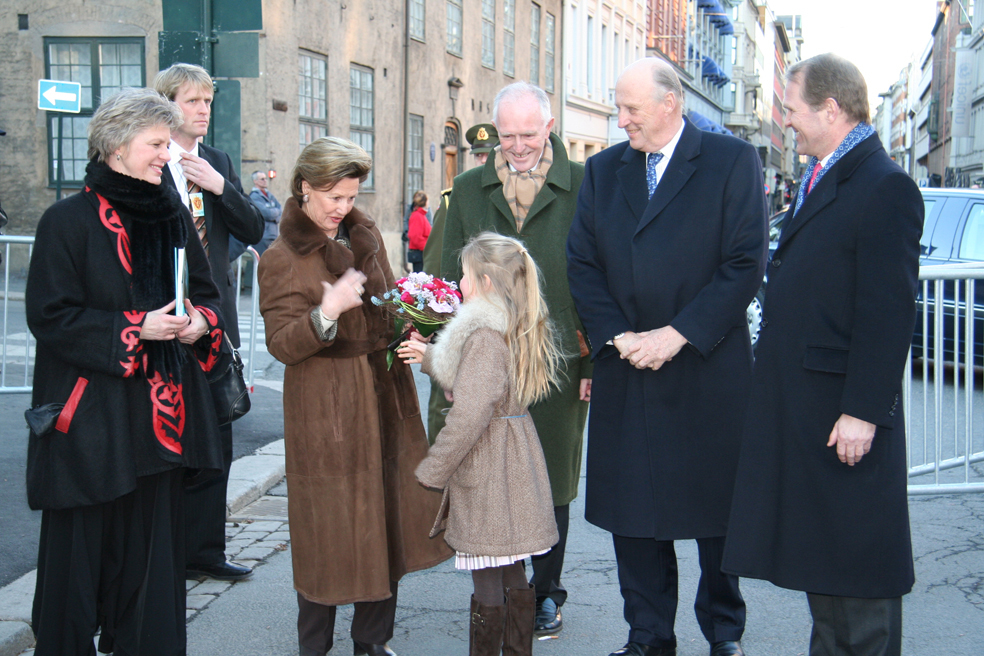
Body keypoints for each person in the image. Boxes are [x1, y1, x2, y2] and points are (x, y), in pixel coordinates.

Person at [722, 54, 923, 656]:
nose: (785, 121)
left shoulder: (884, 185)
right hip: (813, 411)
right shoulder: (828, 174)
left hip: (845, 416)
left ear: (831, 109)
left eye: (792, 108)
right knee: (827, 576)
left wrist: (864, 410)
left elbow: (888, 314)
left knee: (859, 581)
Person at [566, 57, 768, 656]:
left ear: (669, 104)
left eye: (629, 108)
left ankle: (723, 633)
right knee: (636, 518)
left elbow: (744, 264)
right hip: (628, 367)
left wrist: (675, 334)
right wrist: (619, 337)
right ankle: (648, 635)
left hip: (705, 368)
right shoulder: (603, 171)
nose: (619, 118)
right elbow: (581, 263)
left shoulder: (731, 163)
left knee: (715, 519)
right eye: (617, 106)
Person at [25, 88, 225, 655]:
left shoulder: (172, 215)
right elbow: (51, 315)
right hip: (89, 422)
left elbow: (207, 296)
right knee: (78, 555)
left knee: (152, 558)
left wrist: (196, 324)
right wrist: (135, 327)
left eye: (168, 142)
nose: (168, 153)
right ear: (116, 146)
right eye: (156, 143)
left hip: (160, 422)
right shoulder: (66, 220)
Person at [257, 136, 452, 656]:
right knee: (326, 528)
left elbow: (387, 308)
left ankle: (372, 641)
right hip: (326, 410)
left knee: (387, 520)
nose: (342, 209)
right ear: (303, 187)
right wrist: (327, 313)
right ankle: (314, 645)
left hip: (385, 396)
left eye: (350, 196)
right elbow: (281, 343)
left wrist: (417, 319)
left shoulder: (364, 236)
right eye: (332, 197)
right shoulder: (281, 257)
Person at [440, 83, 591, 636]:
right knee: (490, 477)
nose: (519, 146)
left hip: (556, 362)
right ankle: (502, 590)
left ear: (548, 126)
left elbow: (603, 278)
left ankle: (545, 592)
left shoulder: (583, 185)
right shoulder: (467, 188)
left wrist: (593, 363)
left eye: (529, 133)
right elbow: (439, 282)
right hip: (485, 361)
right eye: (508, 135)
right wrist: (448, 364)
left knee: (549, 478)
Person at [399, 232, 561, 656]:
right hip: (511, 456)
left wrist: (435, 467)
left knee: (487, 574)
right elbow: (482, 382)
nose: (460, 284)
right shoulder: (510, 324)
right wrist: (431, 356)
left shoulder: (485, 337)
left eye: (465, 276)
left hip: (489, 466)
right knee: (510, 568)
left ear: (487, 282)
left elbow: (471, 412)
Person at [153, 63, 265, 583]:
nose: (203, 111)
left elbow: (250, 226)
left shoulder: (215, 161)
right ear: (167, 105)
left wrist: (221, 186)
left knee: (218, 435)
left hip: (215, 320)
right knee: (170, 435)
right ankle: (163, 551)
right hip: (165, 321)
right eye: (193, 101)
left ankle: (206, 549)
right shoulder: (149, 160)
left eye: (207, 102)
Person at [421, 123, 499, 443]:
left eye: (489, 156)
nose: (483, 163)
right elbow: (438, 268)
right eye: (478, 157)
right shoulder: (456, 200)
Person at [249, 169, 282, 256]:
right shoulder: (254, 197)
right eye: (262, 179)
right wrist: (275, 213)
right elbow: (266, 214)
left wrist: (275, 215)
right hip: (262, 237)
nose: (265, 181)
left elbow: (280, 209)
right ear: (255, 181)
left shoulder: (270, 195)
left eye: (265, 178)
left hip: (274, 235)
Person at [406, 191, 430, 272]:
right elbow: (415, 237)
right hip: (420, 254)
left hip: (421, 253)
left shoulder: (421, 215)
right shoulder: (417, 216)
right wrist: (427, 249)